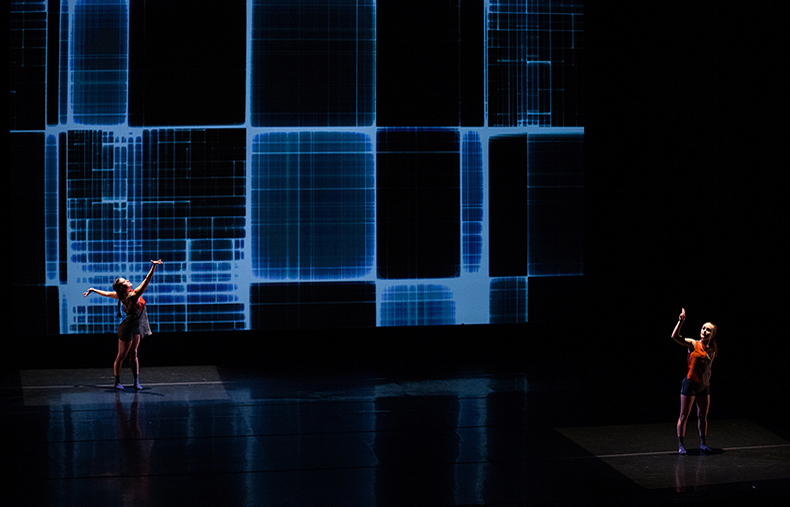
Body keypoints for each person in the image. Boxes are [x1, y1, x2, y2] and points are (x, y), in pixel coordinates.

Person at [83, 260, 163, 390]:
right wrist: (153, 266)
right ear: (121, 288)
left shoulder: (122, 295)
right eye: (124, 281)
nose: (127, 281)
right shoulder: (132, 296)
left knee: (134, 354)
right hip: (126, 329)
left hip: (135, 327)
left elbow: (107, 293)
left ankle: (136, 382)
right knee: (121, 356)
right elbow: (146, 281)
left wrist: (93, 290)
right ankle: (117, 382)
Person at [670, 307, 718, 454]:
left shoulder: (713, 349)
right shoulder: (693, 344)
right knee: (684, 416)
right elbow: (674, 336)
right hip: (690, 384)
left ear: (713, 334)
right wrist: (680, 322)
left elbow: (708, 368)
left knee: (703, 416)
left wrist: (707, 381)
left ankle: (703, 444)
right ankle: (681, 445)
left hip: (704, 386)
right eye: (703, 328)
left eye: (708, 330)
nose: (704, 331)